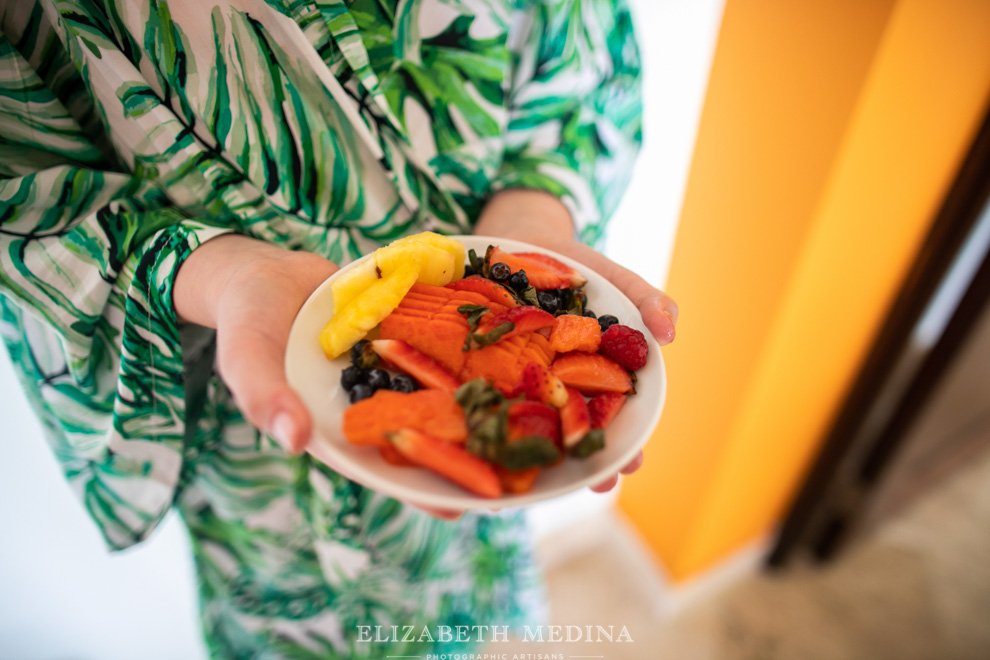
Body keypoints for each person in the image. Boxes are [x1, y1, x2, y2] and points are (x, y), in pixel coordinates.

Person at [0, 0, 677, 657]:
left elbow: (578, 45)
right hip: (253, 417)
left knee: (472, 563)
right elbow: (26, 198)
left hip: (484, 354)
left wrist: (530, 226)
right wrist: (222, 273)